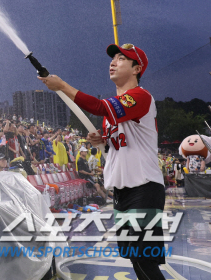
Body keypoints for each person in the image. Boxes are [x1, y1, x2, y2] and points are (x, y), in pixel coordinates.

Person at [39, 43, 166, 280]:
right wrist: (103, 141)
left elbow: (97, 107)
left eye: (121, 59)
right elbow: (120, 144)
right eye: (113, 58)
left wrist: (62, 86)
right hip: (124, 190)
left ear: (137, 68)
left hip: (144, 186)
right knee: (137, 260)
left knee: (144, 261)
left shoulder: (140, 96)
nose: (113, 62)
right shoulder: (114, 114)